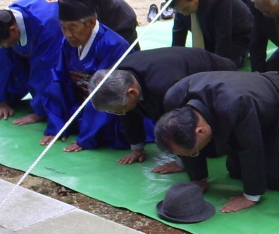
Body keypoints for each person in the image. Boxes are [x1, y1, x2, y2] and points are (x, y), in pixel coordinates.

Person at [155, 71, 279, 213]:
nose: (192, 156)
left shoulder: (236, 104)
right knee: (235, 171)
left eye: (192, 153)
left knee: (277, 181)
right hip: (240, 99)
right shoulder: (174, 99)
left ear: (201, 130)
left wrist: (251, 195)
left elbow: (250, 147)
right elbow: (181, 138)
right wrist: (197, 178)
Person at [88, 47, 237, 167]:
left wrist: (183, 161)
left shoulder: (165, 88)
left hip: (221, 76)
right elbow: (128, 114)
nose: (117, 113)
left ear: (132, 92)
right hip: (178, 70)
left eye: (118, 110)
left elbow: (186, 124)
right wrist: (137, 148)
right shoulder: (119, 77)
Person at [0, 0, 66, 129]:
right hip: (31, 33)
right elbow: (0, 65)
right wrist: (1, 101)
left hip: (55, 40)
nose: (1, 46)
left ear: (13, 30)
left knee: (45, 71)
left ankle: (45, 106)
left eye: (3, 43)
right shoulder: (0, 24)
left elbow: (45, 70)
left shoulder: (47, 26)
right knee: (6, 57)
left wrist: (39, 112)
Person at [45, 0, 130, 152]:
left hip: (113, 110)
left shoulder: (113, 45)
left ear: (91, 22)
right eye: (63, 28)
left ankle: (92, 132)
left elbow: (107, 93)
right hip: (85, 104)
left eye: (72, 27)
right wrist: (57, 126)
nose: (68, 34)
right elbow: (59, 80)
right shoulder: (68, 43)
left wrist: (86, 138)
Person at [27, 0, 139, 47]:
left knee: (128, 59)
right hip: (104, 15)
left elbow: (92, 28)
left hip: (119, 19)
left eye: (46, 1)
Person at [165, 0, 252, 68]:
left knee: (228, 64)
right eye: (179, 11)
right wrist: (176, 63)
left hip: (237, 36)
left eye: (186, 9)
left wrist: (218, 67)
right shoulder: (181, 4)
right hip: (209, 35)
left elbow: (223, 37)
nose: (184, 14)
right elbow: (178, 35)